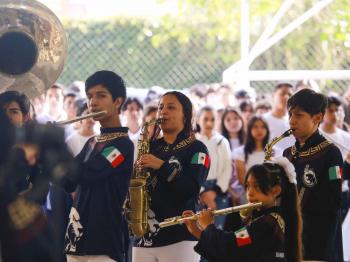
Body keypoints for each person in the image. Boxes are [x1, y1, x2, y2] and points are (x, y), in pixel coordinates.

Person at [63, 70, 134, 262]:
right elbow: (68, 182)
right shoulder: (92, 142)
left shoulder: (123, 145)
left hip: (103, 244)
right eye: (89, 96)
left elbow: (88, 174)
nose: (93, 102)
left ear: (117, 102)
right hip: (76, 241)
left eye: (101, 96)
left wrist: (56, 147)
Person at [132, 91, 209, 262]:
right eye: (161, 107)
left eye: (171, 107)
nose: (163, 111)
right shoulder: (150, 147)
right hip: (145, 236)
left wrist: (161, 166)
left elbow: (191, 189)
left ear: (186, 114)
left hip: (180, 236)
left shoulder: (197, 148)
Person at [182, 157, 302, 262]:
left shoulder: (269, 222)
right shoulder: (259, 218)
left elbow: (232, 246)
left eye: (257, 186)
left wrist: (208, 226)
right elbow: (235, 245)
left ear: (276, 191)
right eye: (248, 186)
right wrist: (196, 230)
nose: (250, 193)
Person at [284, 88, 343, 261]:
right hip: (293, 238)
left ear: (317, 118)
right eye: (290, 115)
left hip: (320, 240)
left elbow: (334, 200)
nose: (291, 121)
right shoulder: (288, 153)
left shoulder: (331, 153)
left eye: (298, 115)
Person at [196, 106, 232, 228]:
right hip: (197, 190)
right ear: (197, 120)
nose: (209, 123)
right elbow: (192, 169)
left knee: (217, 229)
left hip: (217, 190)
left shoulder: (221, 141)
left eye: (212, 119)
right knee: (198, 230)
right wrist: (202, 192)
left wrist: (214, 192)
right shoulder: (194, 142)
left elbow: (227, 168)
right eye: (205, 119)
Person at [262, 82, 295, 151]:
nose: (286, 97)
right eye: (282, 93)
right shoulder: (263, 120)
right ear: (273, 96)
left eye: (290, 94)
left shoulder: (296, 121)